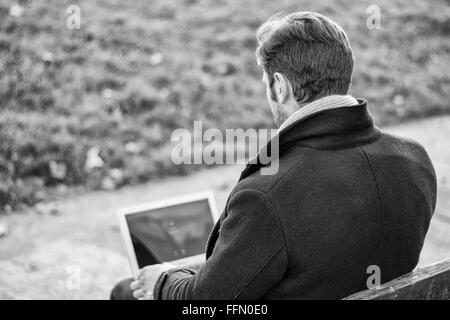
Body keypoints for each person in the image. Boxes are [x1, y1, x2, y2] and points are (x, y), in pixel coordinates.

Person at [111, 11, 437, 300]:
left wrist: (163, 280)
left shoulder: (267, 194)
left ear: (280, 86)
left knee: (127, 290)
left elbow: (205, 301)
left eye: (266, 82)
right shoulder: (414, 160)